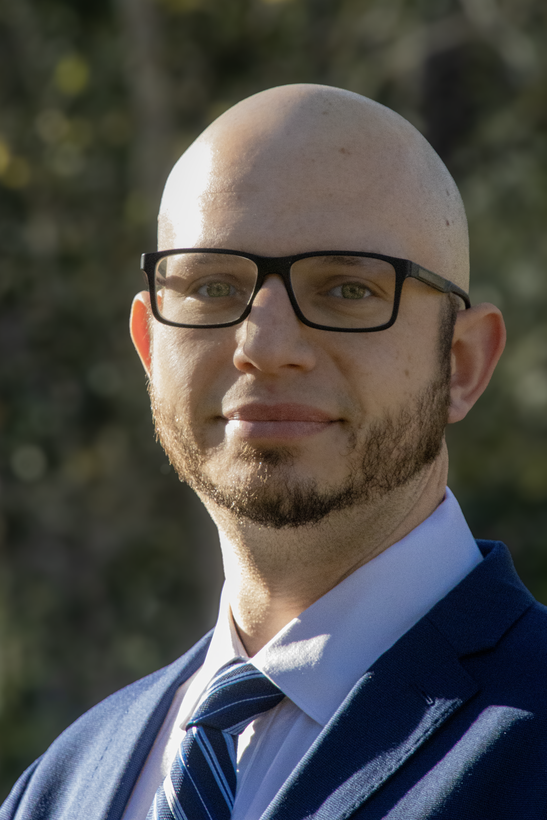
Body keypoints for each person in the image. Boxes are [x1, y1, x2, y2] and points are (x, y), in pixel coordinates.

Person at [2, 83, 547, 820]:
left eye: (348, 289)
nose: (263, 348)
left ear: (462, 362)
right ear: (148, 348)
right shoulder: (60, 788)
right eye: (213, 286)